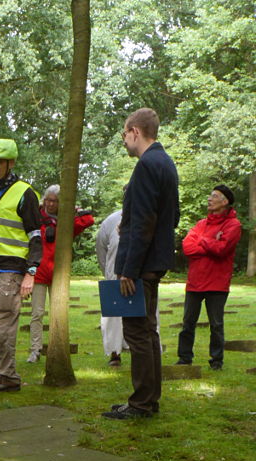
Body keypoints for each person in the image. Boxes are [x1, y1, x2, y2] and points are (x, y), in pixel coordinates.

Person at [103, 108, 179, 419]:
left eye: (124, 134)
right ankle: (149, 400)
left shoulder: (147, 165)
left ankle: (141, 403)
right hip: (155, 259)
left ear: (135, 131)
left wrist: (127, 271)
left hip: (141, 265)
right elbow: (167, 217)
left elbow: (145, 221)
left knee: (136, 332)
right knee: (149, 331)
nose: (124, 140)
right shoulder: (166, 163)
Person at [0, 138, 42, 392]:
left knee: (2, 323)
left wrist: (31, 272)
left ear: (10, 163)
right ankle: (2, 373)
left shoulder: (24, 193)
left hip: (12, 271)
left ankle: (8, 376)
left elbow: (35, 235)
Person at [176, 184, 242, 371]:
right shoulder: (200, 224)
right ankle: (184, 358)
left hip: (217, 283)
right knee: (188, 323)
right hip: (195, 282)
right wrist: (211, 241)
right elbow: (187, 248)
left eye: (214, 196)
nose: (209, 199)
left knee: (216, 324)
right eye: (210, 195)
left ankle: (216, 361)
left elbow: (222, 250)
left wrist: (202, 240)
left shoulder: (233, 225)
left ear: (225, 202)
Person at [27, 185, 94, 362]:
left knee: (58, 315)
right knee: (37, 313)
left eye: (54, 201)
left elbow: (88, 220)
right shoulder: (37, 218)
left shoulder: (66, 222)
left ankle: (57, 348)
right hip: (40, 273)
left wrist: (73, 209)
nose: (50, 204)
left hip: (59, 275)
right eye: (47, 200)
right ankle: (35, 350)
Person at [95, 207, 127, 366]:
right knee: (112, 316)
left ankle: (140, 352)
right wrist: (108, 272)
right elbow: (101, 248)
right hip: (114, 274)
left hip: (141, 275)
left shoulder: (149, 216)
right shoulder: (111, 220)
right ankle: (114, 353)